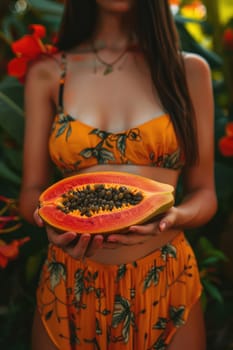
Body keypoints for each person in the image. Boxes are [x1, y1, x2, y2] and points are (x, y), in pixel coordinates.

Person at [18, 0, 217, 349]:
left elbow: (204, 194)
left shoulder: (188, 71)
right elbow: (32, 191)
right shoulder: (49, 73)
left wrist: (172, 217)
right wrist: (46, 220)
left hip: (166, 278)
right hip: (69, 283)